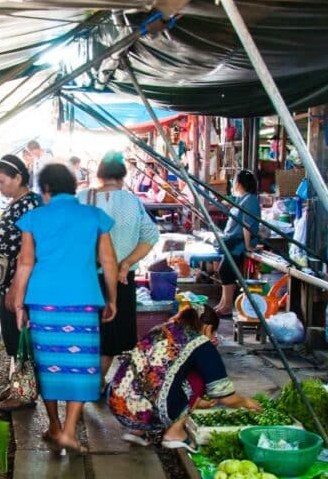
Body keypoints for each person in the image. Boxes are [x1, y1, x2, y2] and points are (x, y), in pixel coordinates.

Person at [13, 163, 118, 453]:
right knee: (80, 367)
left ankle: (55, 426)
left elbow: (25, 263)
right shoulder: (94, 216)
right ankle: (69, 431)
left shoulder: (33, 218)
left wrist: (19, 304)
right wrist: (112, 299)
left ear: (45, 189)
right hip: (83, 302)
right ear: (72, 188)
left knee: (48, 366)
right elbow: (109, 262)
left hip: (44, 302)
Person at [107, 305, 259, 451]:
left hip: (117, 402)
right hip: (157, 407)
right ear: (207, 327)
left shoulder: (161, 329)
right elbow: (225, 396)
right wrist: (246, 402)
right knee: (197, 377)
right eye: (213, 332)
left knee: (152, 377)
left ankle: (136, 430)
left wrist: (197, 402)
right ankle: (175, 433)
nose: (213, 337)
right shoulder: (200, 342)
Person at [81, 151, 160, 378]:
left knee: (86, 332)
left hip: (87, 278)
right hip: (121, 278)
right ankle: (98, 382)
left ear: (100, 174)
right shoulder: (132, 201)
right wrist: (126, 263)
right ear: (122, 175)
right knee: (111, 334)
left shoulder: (83, 197)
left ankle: (86, 381)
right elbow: (150, 236)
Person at [0, 154, 42, 365]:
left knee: (21, 338)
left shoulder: (30, 205)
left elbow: (29, 252)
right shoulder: (18, 203)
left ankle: (24, 390)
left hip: (19, 284)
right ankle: (18, 386)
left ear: (18, 178)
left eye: (2, 182)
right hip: (9, 282)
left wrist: (14, 289)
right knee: (12, 336)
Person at [215, 170, 261, 316]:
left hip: (238, 244)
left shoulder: (250, 200)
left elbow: (247, 225)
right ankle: (223, 303)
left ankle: (227, 306)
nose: (233, 184)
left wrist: (247, 246)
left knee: (226, 271)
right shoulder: (243, 198)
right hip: (231, 242)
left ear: (240, 183)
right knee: (224, 271)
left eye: (234, 181)